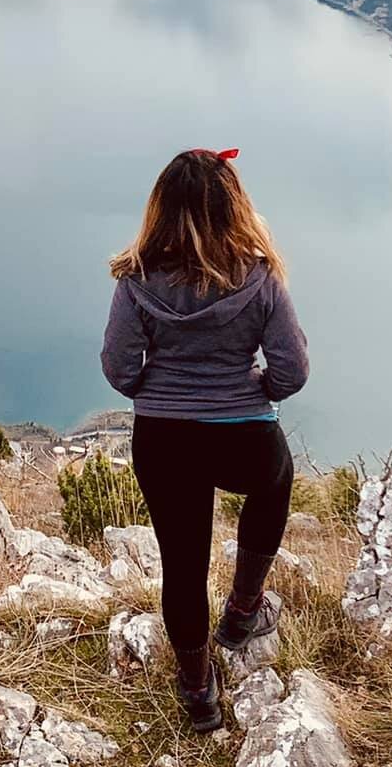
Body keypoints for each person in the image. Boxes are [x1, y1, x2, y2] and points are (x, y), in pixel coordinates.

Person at [99, 147, 308, 732]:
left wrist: (157, 389)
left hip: (164, 440)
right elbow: (291, 371)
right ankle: (243, 610)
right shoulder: (260, 276)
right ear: (234, 206)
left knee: (182, 563)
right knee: (276, 479)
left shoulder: (136, 279)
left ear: (161, 207)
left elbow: (118, 368)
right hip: (242, 433)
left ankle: (198, 692)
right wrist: (251, 389)